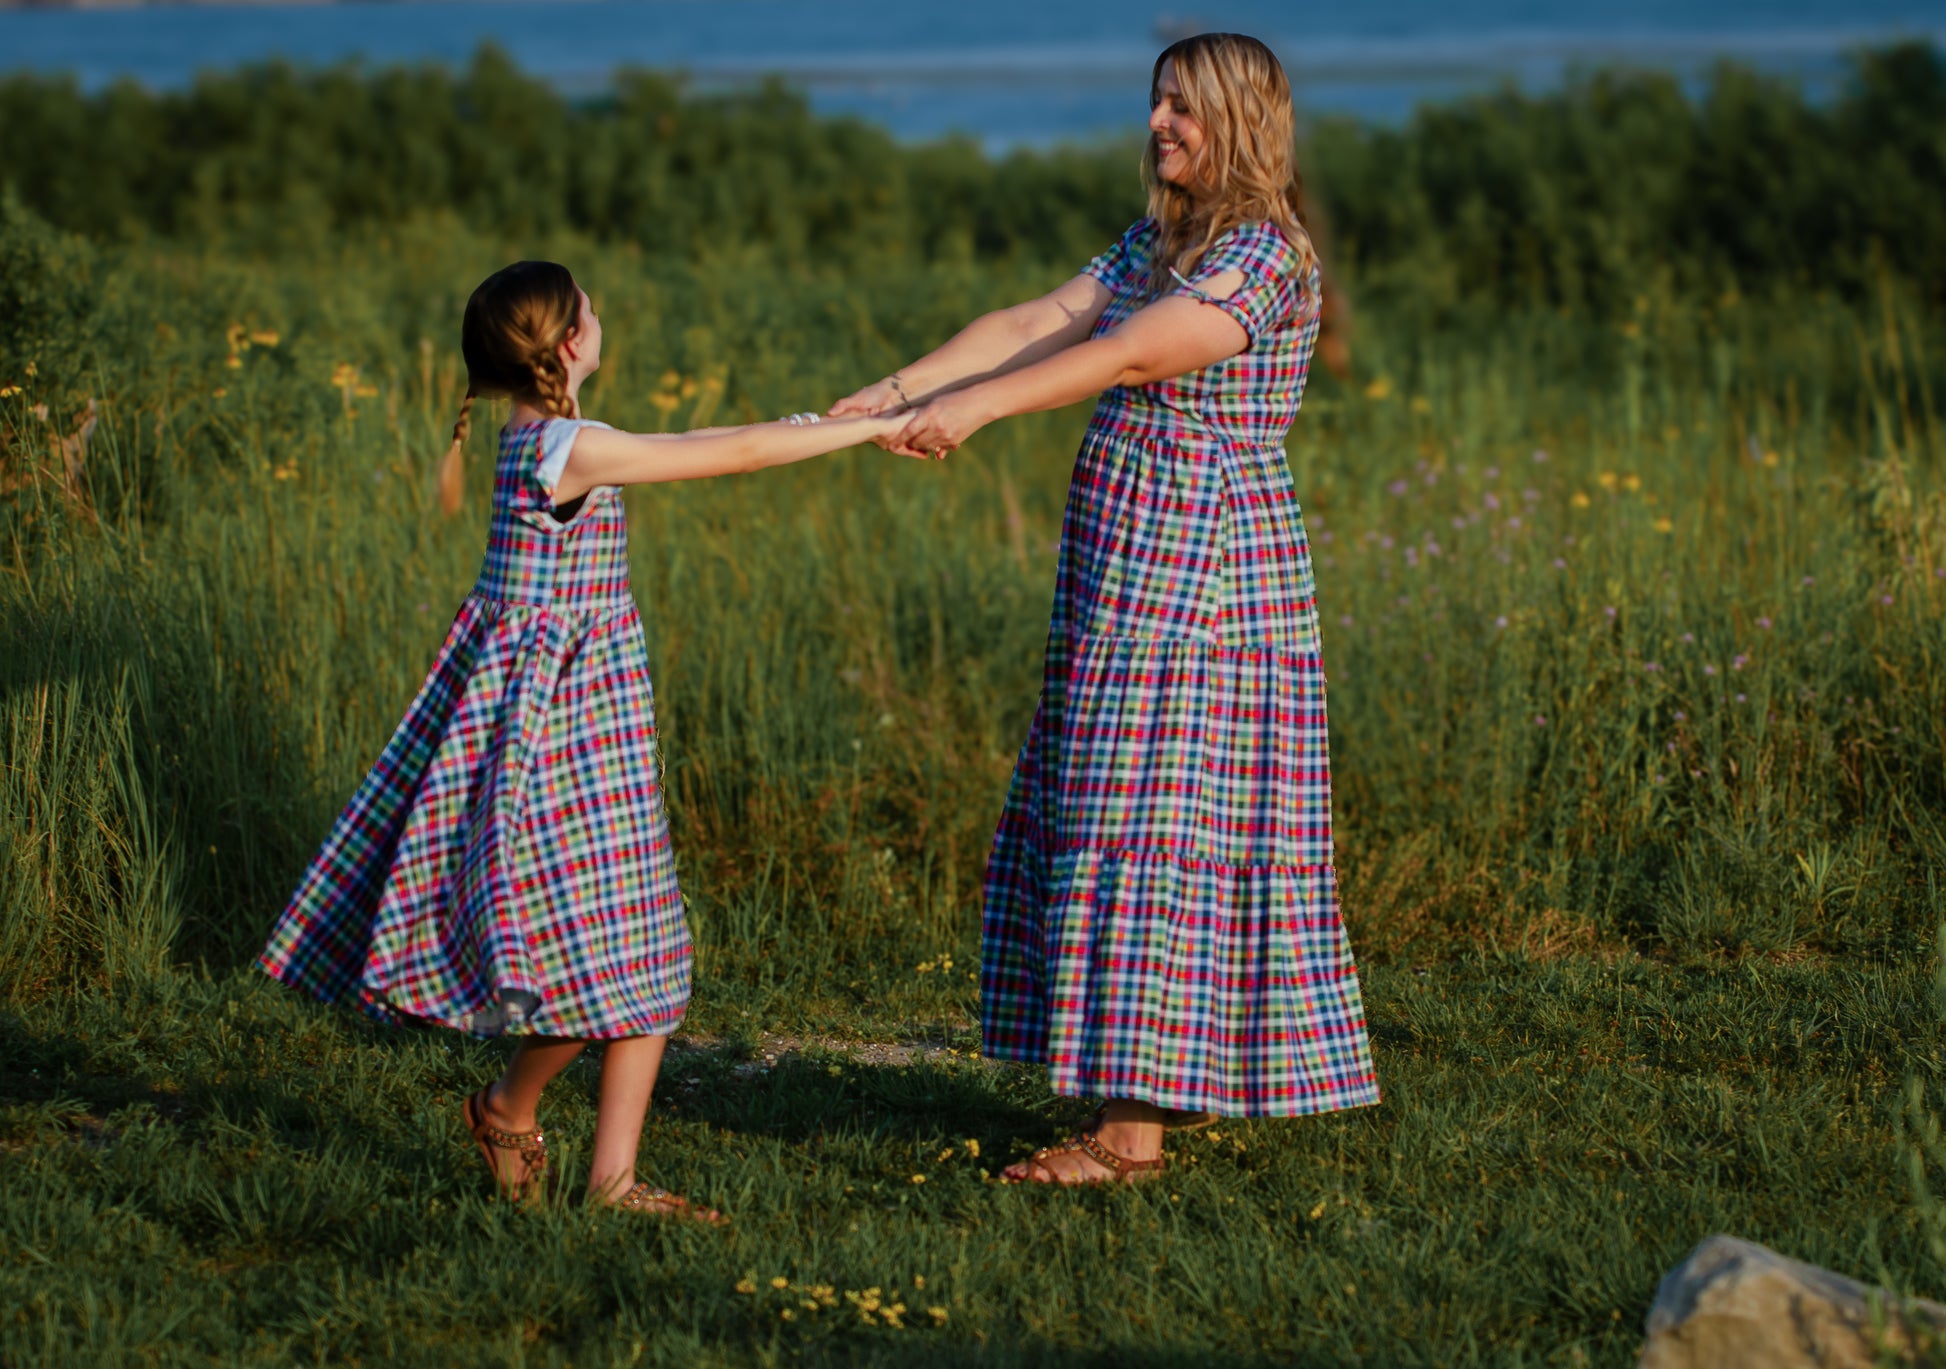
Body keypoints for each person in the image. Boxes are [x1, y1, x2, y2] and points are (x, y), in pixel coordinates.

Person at [833, 32, 1379, 1185]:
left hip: (1206, 579)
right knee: (1106, 801)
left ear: (1239, 120)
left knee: (1160, 819)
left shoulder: (1266, 255)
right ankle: (1127, 1105)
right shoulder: (1159, 239)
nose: (1158, 126)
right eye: (1155, 105)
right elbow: (1040, 320)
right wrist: (889, 392)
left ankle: (1128, 1141)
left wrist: (975, 414)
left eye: (1182, 109)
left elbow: (1133, 354)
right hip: (1125, 567)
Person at [261, 261, 907, 1219]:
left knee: (639, 944)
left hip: (584, 725)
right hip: (557, 738)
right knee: (599, 952)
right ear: (569, 345)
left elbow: (711, 443)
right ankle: (514, 1113)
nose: (600, 316)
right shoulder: (571, 444)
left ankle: (599, 1171)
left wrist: (830, 419)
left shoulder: (532, 437)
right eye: (590, 309)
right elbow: (728, 454)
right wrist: (868, 425)